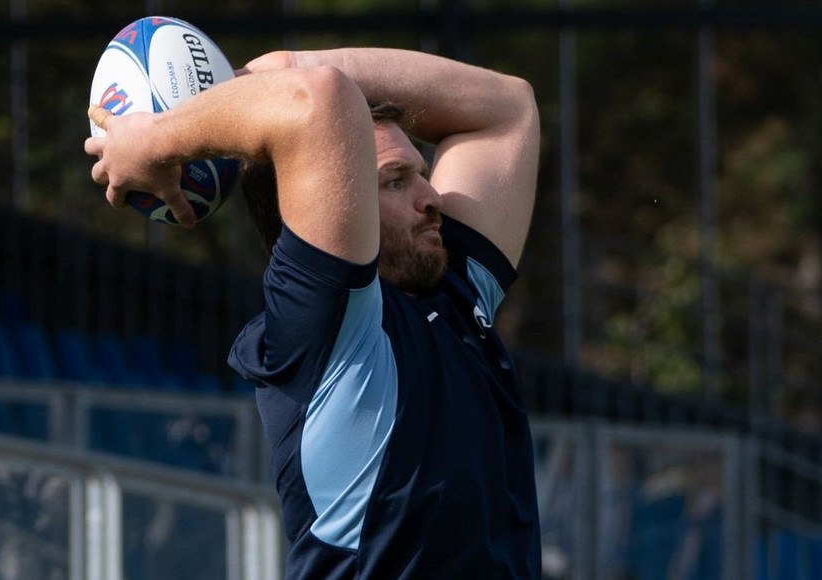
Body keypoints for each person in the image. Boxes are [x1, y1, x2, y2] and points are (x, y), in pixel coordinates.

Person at [86, 47, 541, 578]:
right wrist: (154, 138)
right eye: (395, 180)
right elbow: (320, 101)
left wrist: (282, 65)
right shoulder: (327, 329)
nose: (432, 195)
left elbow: (507, 108)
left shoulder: (457, 297)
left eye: (422, 173)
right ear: (322, 206)